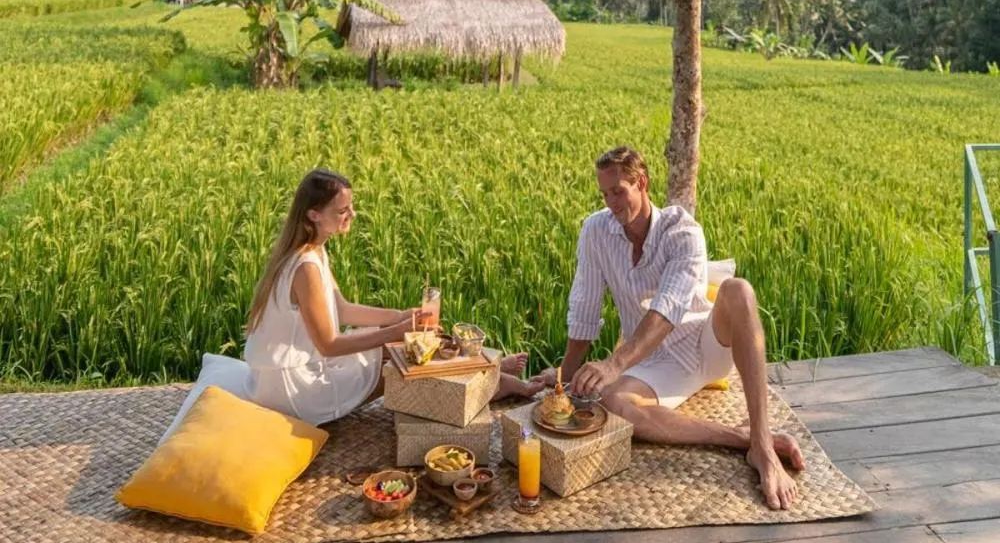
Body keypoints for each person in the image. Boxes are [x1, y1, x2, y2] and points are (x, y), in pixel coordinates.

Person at [537, 146, 805, 510]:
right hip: (654, 364)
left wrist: (614, 364)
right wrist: (562, 384)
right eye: (604, 193)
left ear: (642, 183)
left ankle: (762, 442)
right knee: (613, 401)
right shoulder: (595, 231)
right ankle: (747, 441)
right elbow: (584, 309)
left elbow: (667, 311)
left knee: (739, 290)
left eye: (619, 191)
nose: (611, 203)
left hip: (705, 345)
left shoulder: (681, 231)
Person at [244, 168, 541, 426]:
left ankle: (488, 371)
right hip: (296, 390)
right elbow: (329, 345)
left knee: (402, 346)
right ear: (314, 214)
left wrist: (400, 316)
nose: (353, 214)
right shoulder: (305, 266)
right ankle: (493, 383)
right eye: (342, 210)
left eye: (352, 206)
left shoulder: (313, 250)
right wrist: (395, 332)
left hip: (292, 376)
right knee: (405, 363)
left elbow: (343, 310)